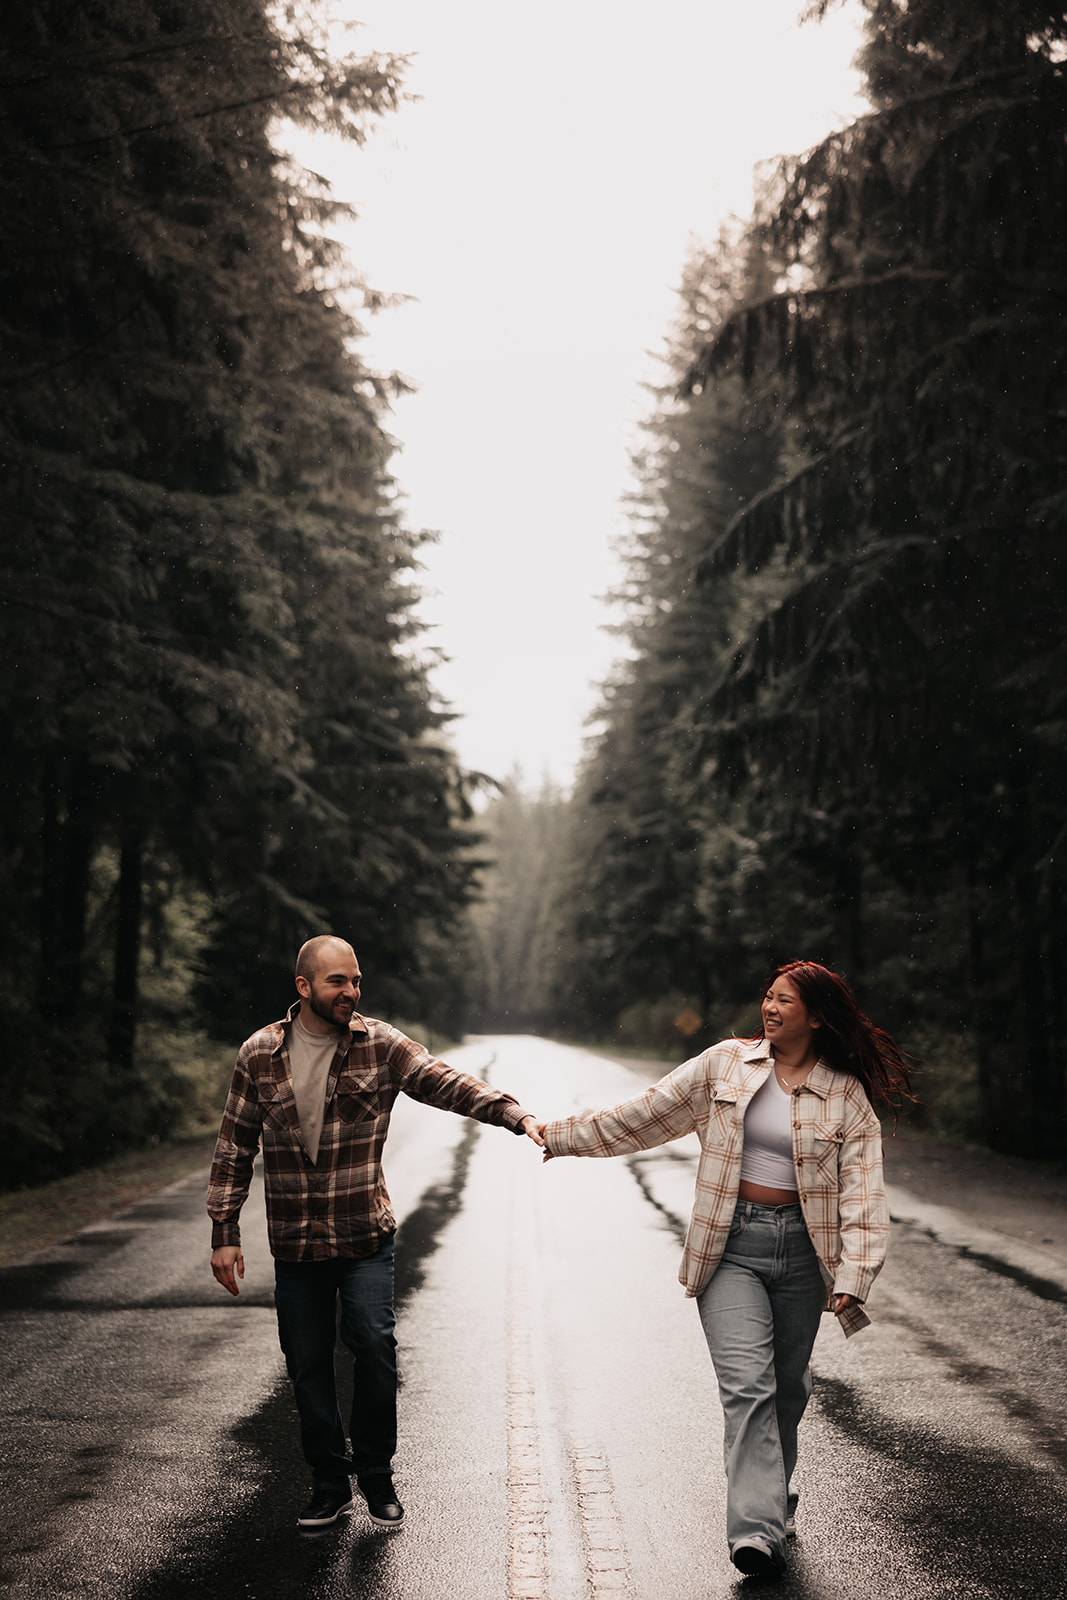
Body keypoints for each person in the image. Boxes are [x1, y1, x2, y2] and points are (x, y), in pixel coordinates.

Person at [535, 960, 912, 1581]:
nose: (769, 1007)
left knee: (787, 1390)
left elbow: (863, 1193)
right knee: (749, 1389)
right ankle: (757, 1532)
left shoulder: (845, 1094)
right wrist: (562, 1135)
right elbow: (646, 1114)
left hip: (802, 1257)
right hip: (730, 1247)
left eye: (785, 1001)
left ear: (815, 1017)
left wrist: (853, 1274)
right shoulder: (725, 1065)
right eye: (767, 996)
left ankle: (770, 1499)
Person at [208, 934, 544, 1533]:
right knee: (307, 1363)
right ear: (304, 987)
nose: (352, 992)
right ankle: (328, 1484)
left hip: (364, 1234)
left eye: (356, 981)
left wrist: (513, 1114)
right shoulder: (259, 1053)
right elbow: (235, 1143)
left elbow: (444, 1081)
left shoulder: (379, 1044)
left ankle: (377, 1476)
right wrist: (224, 1229)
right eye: (338, 982)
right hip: (296, 1243)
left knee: (374, 1347)